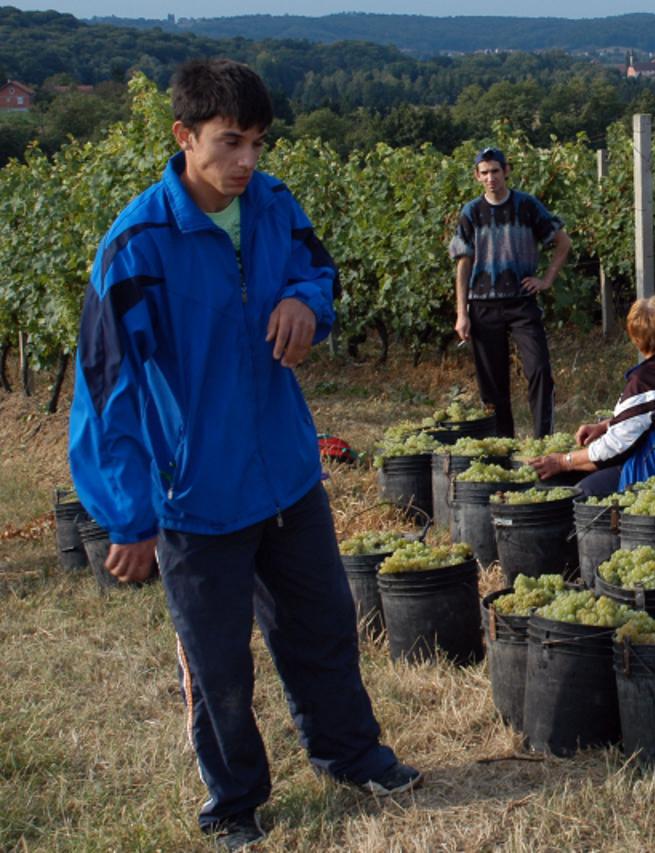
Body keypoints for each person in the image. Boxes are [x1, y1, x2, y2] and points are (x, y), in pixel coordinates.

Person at [66, 59, 418, 851]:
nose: (248, 161)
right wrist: (128, 514)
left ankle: (351, 754)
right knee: (217, 664)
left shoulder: (274, 204)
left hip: (287, 471)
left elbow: (317, 270)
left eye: (258, 142)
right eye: (230, 142)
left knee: (323, 626)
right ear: (184, 136)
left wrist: (305, 304)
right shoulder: (136, 246)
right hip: (196, 496)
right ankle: (233, 803)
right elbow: (104, 391)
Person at [530, 295, 655, 496]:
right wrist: (606, 425)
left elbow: (613, 448)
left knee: (583, 491)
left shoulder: (649, 378)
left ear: (636, 339)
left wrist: (563, 461)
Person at [450, 147, 571, 437]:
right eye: (484, 173)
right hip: (483, 306)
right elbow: (463, 263)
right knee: (492, 384)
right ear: (477, 176)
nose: (490, 178)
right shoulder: (471, 212)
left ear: (506, 171)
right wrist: (461, 313)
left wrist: (546, 280)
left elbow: (563, 242)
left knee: (539, 369)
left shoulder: (527, 206)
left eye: (495, 171)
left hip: (521, 302)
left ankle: (543, 440)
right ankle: (504, 444)